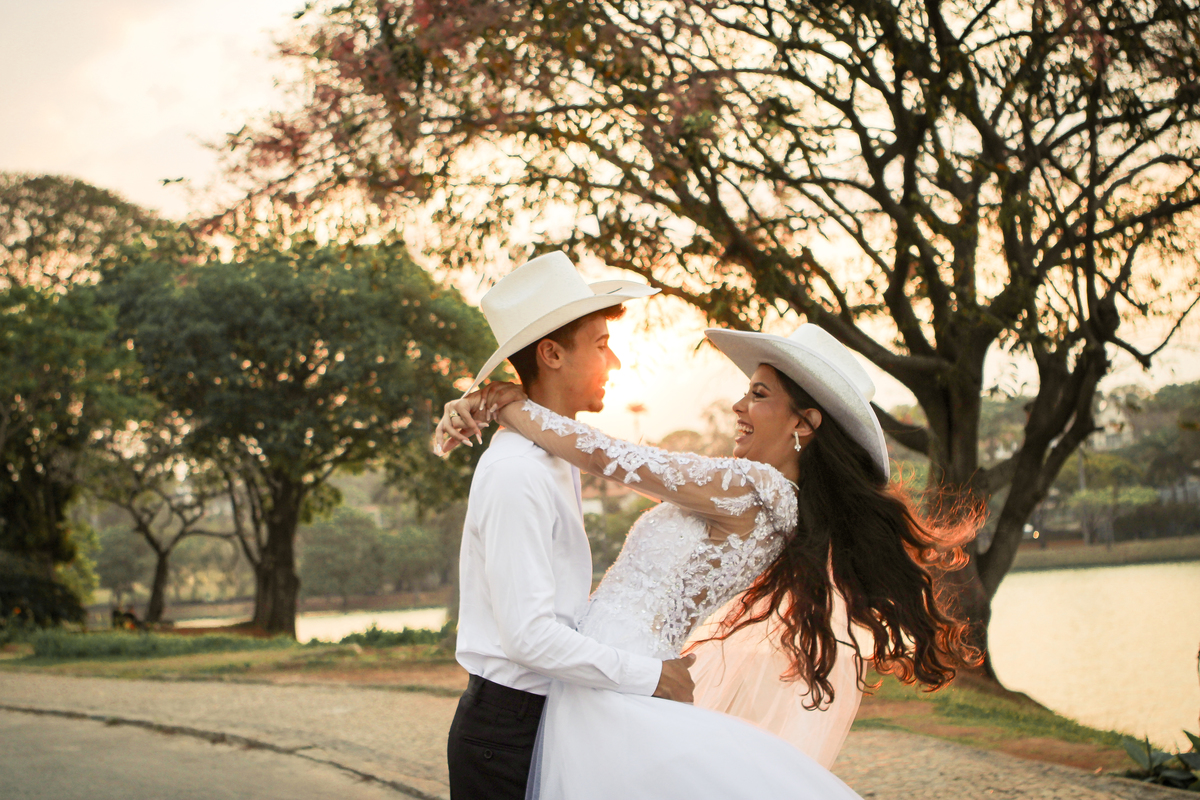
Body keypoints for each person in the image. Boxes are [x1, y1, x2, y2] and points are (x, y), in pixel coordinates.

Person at [438, 323, 977, 798]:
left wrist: (507, 404)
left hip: (619, 684)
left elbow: (611, 457)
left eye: (759, 395)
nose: (739, 406)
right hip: (606, 676)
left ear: (804, 423)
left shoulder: (755, 488)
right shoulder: (770, 499)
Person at [444, 252, 697, 800]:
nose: (616, 362)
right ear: (552, 354)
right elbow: (529, 636)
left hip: (549, 718)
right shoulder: (517, 471)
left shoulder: (554, 456)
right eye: (602, 345)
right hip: (506, 735)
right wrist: (653, 676)